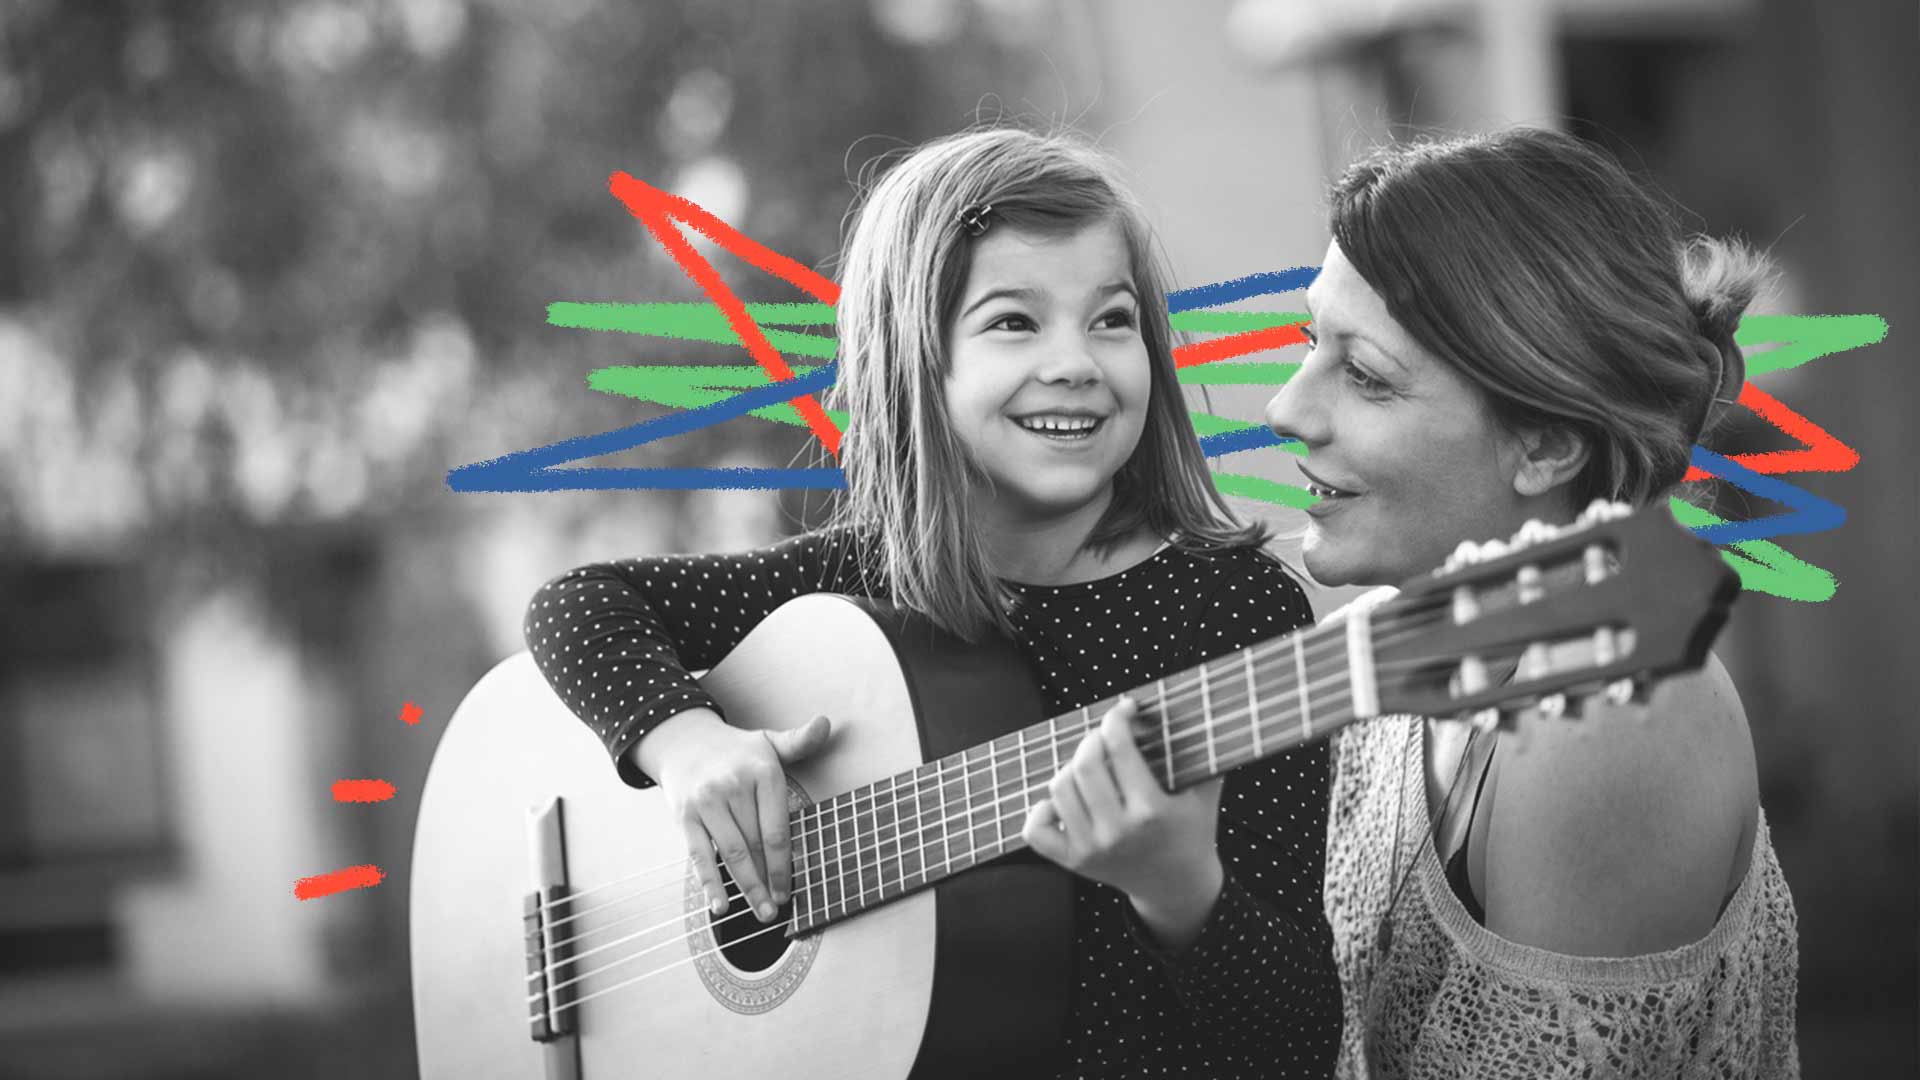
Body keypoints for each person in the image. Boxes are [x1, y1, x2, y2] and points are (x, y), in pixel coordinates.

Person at [523, 127, 1341, 1077]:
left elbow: (1301, 1039)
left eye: (1111, 320)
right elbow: (581, 603)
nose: (1077, 361)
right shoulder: (861, 581)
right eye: (1014, 322)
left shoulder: (1232, 614)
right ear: (916, 362)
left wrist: (1183, 889)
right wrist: (687, 743)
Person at [1262, 127, 1800, 1078]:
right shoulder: (1375, 656)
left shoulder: (1618, 712)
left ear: (1546, 447)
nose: (1287, 410)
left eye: (1367, 376)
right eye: (1314, 341)